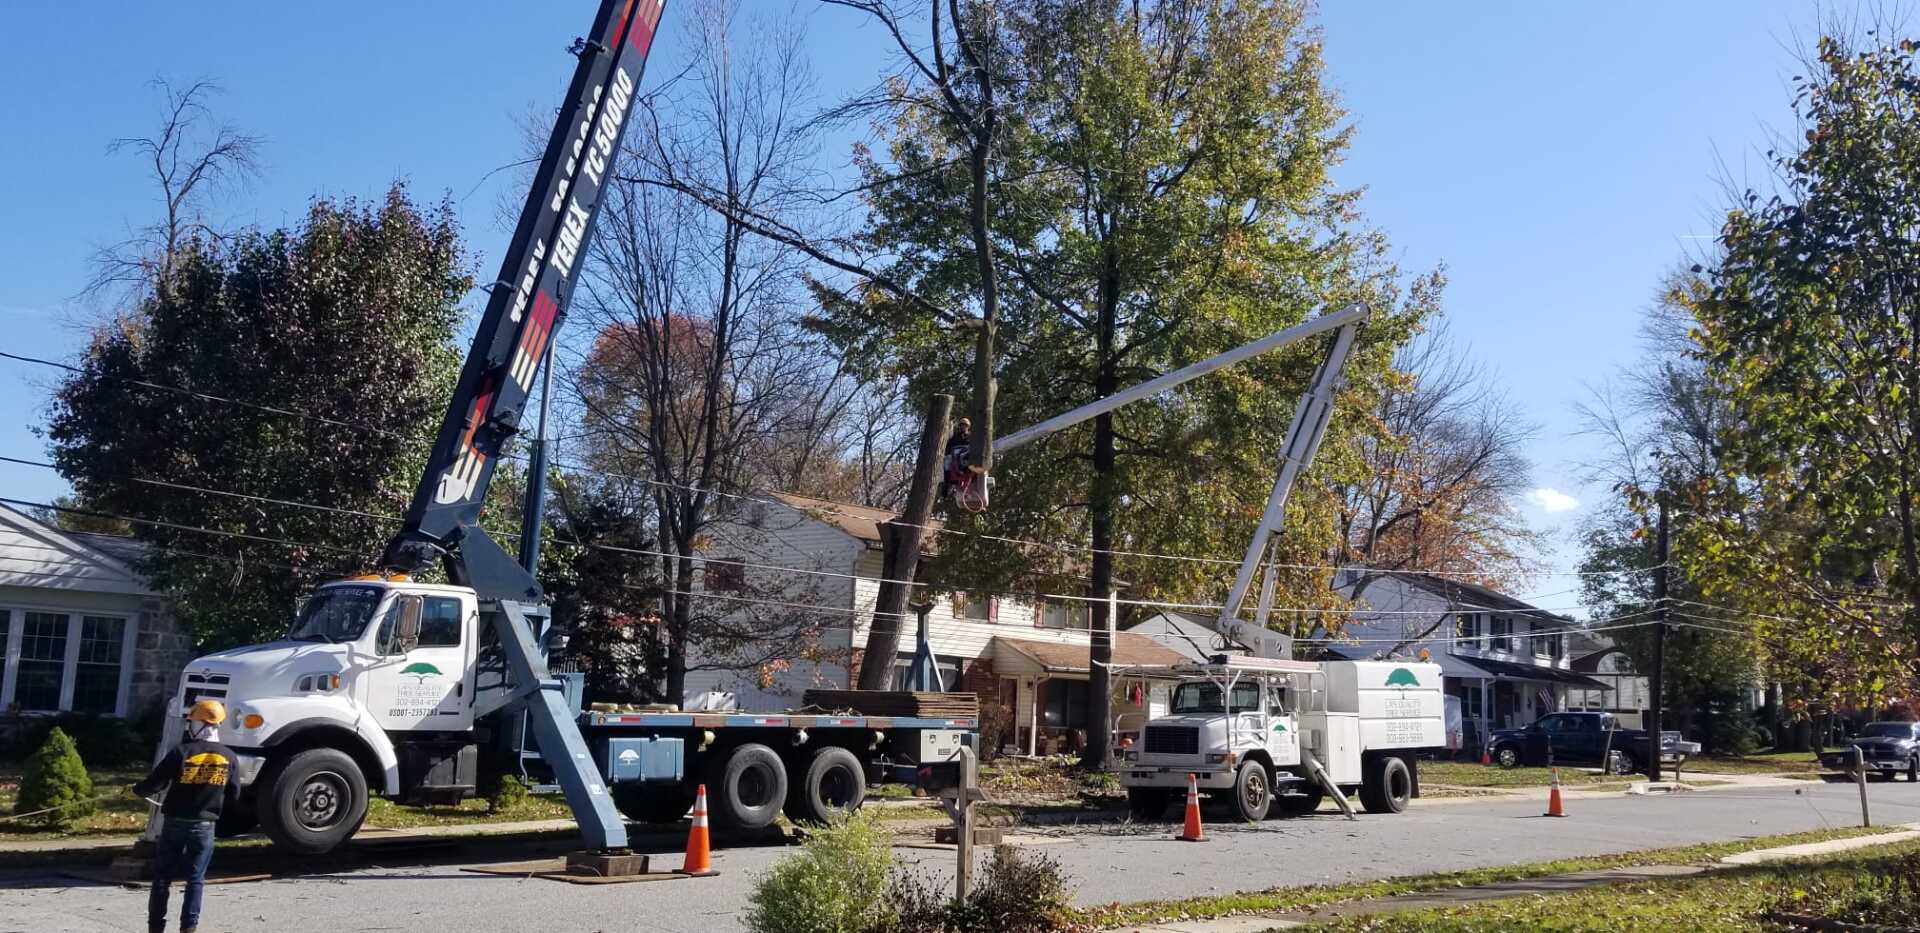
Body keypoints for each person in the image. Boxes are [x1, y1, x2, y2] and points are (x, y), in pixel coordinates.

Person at [133, 699, 241, 933]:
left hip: (175, 823)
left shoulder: (181, 752)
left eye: (192, 722)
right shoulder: (230, 757)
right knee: (195, 879)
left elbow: (155, 784)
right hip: (205, 826)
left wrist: (137, 790)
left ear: (202, 724)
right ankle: (189, 928)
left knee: (162, 878)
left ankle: (156, 927)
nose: (189, 727)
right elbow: (234, 794)